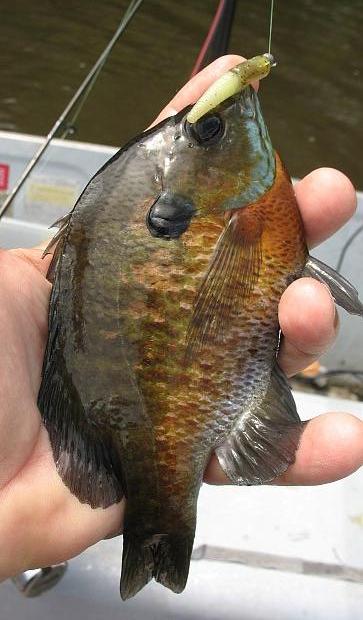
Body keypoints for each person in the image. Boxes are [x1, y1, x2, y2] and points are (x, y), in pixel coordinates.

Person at [0, 55, 362, 582]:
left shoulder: (237, 213)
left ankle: (158, 518)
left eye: (207, 130)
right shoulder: (246, 213)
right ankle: (160, 515)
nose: (224, 120)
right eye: (212, 131)